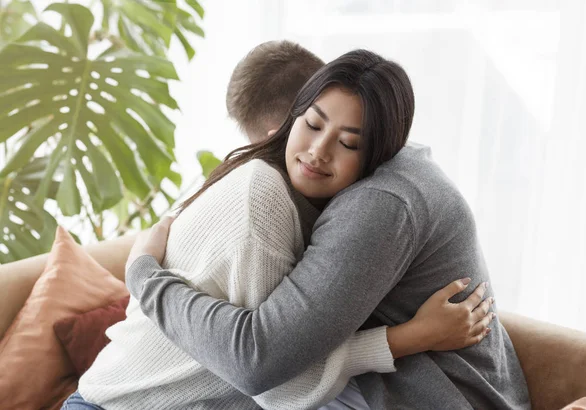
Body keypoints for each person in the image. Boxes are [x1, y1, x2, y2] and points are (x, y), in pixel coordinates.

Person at [62, 45, 494, 410]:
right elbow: (267, 374)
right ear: (287, 122)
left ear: (379, 153)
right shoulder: (262, 200)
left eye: (348, 143)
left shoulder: (351, 203)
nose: (318, 152)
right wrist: (142, 275)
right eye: (312, 124)